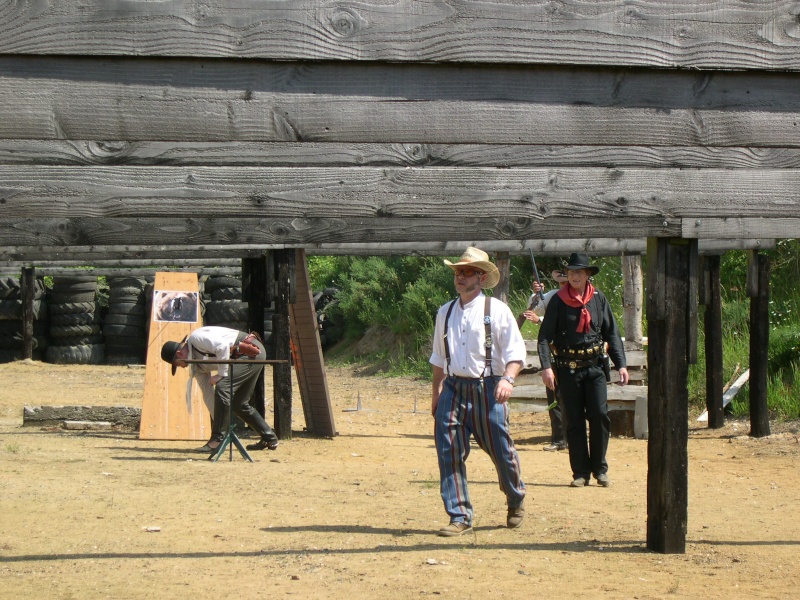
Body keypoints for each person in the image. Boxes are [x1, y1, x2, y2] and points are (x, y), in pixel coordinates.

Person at [430, 247, 527, 536]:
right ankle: (459, 516)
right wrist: (436, 393)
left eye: (466, 272)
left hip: (489, 388)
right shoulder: (444, 312)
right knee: (448, 451)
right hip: (454, 388)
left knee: (501, 449)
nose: (459, 277)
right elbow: (438, 358)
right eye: (458, 272)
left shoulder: (497, 310)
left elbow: (516, 353)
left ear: (481, 278)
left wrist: (507, 379)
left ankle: (515, 496)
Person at [537, 253, 628, 487]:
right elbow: (544, 337)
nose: (575, 276)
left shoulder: (598, 299)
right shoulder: (557, 301)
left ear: (588, 274)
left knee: (599, 416)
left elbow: (612, 333)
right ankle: (580, 473)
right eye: (571, 272)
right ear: (566, 275)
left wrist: (622, 364)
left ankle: (600, 469)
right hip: (568, 370)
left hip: (595, 367)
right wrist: (547, 368)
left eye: (579, 272)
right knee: (574, 420)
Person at [161, 326, 279, 453]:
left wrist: (221, 374)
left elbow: (222, 346)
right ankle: (269, 438)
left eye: (177, 364)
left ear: (179, 355)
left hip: (251, 351)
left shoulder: (196, 338)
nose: (181, 367)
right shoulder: (197, 368)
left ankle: (217, 440)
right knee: (239, 404)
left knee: (223, 387)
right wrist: (218, 420)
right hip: (243, 357)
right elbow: (208, 395)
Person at [522, 270, 569, 452]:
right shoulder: (552, 296)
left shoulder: (582, 298)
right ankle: (559, 439)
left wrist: (539, 320)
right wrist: (536, 294)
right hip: (555, 354)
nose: (564, 286)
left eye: (566, 282)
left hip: (574, 355)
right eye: (562, 283)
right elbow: (533, 309)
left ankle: (572, 438)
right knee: (554, 396)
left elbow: (561, 323)